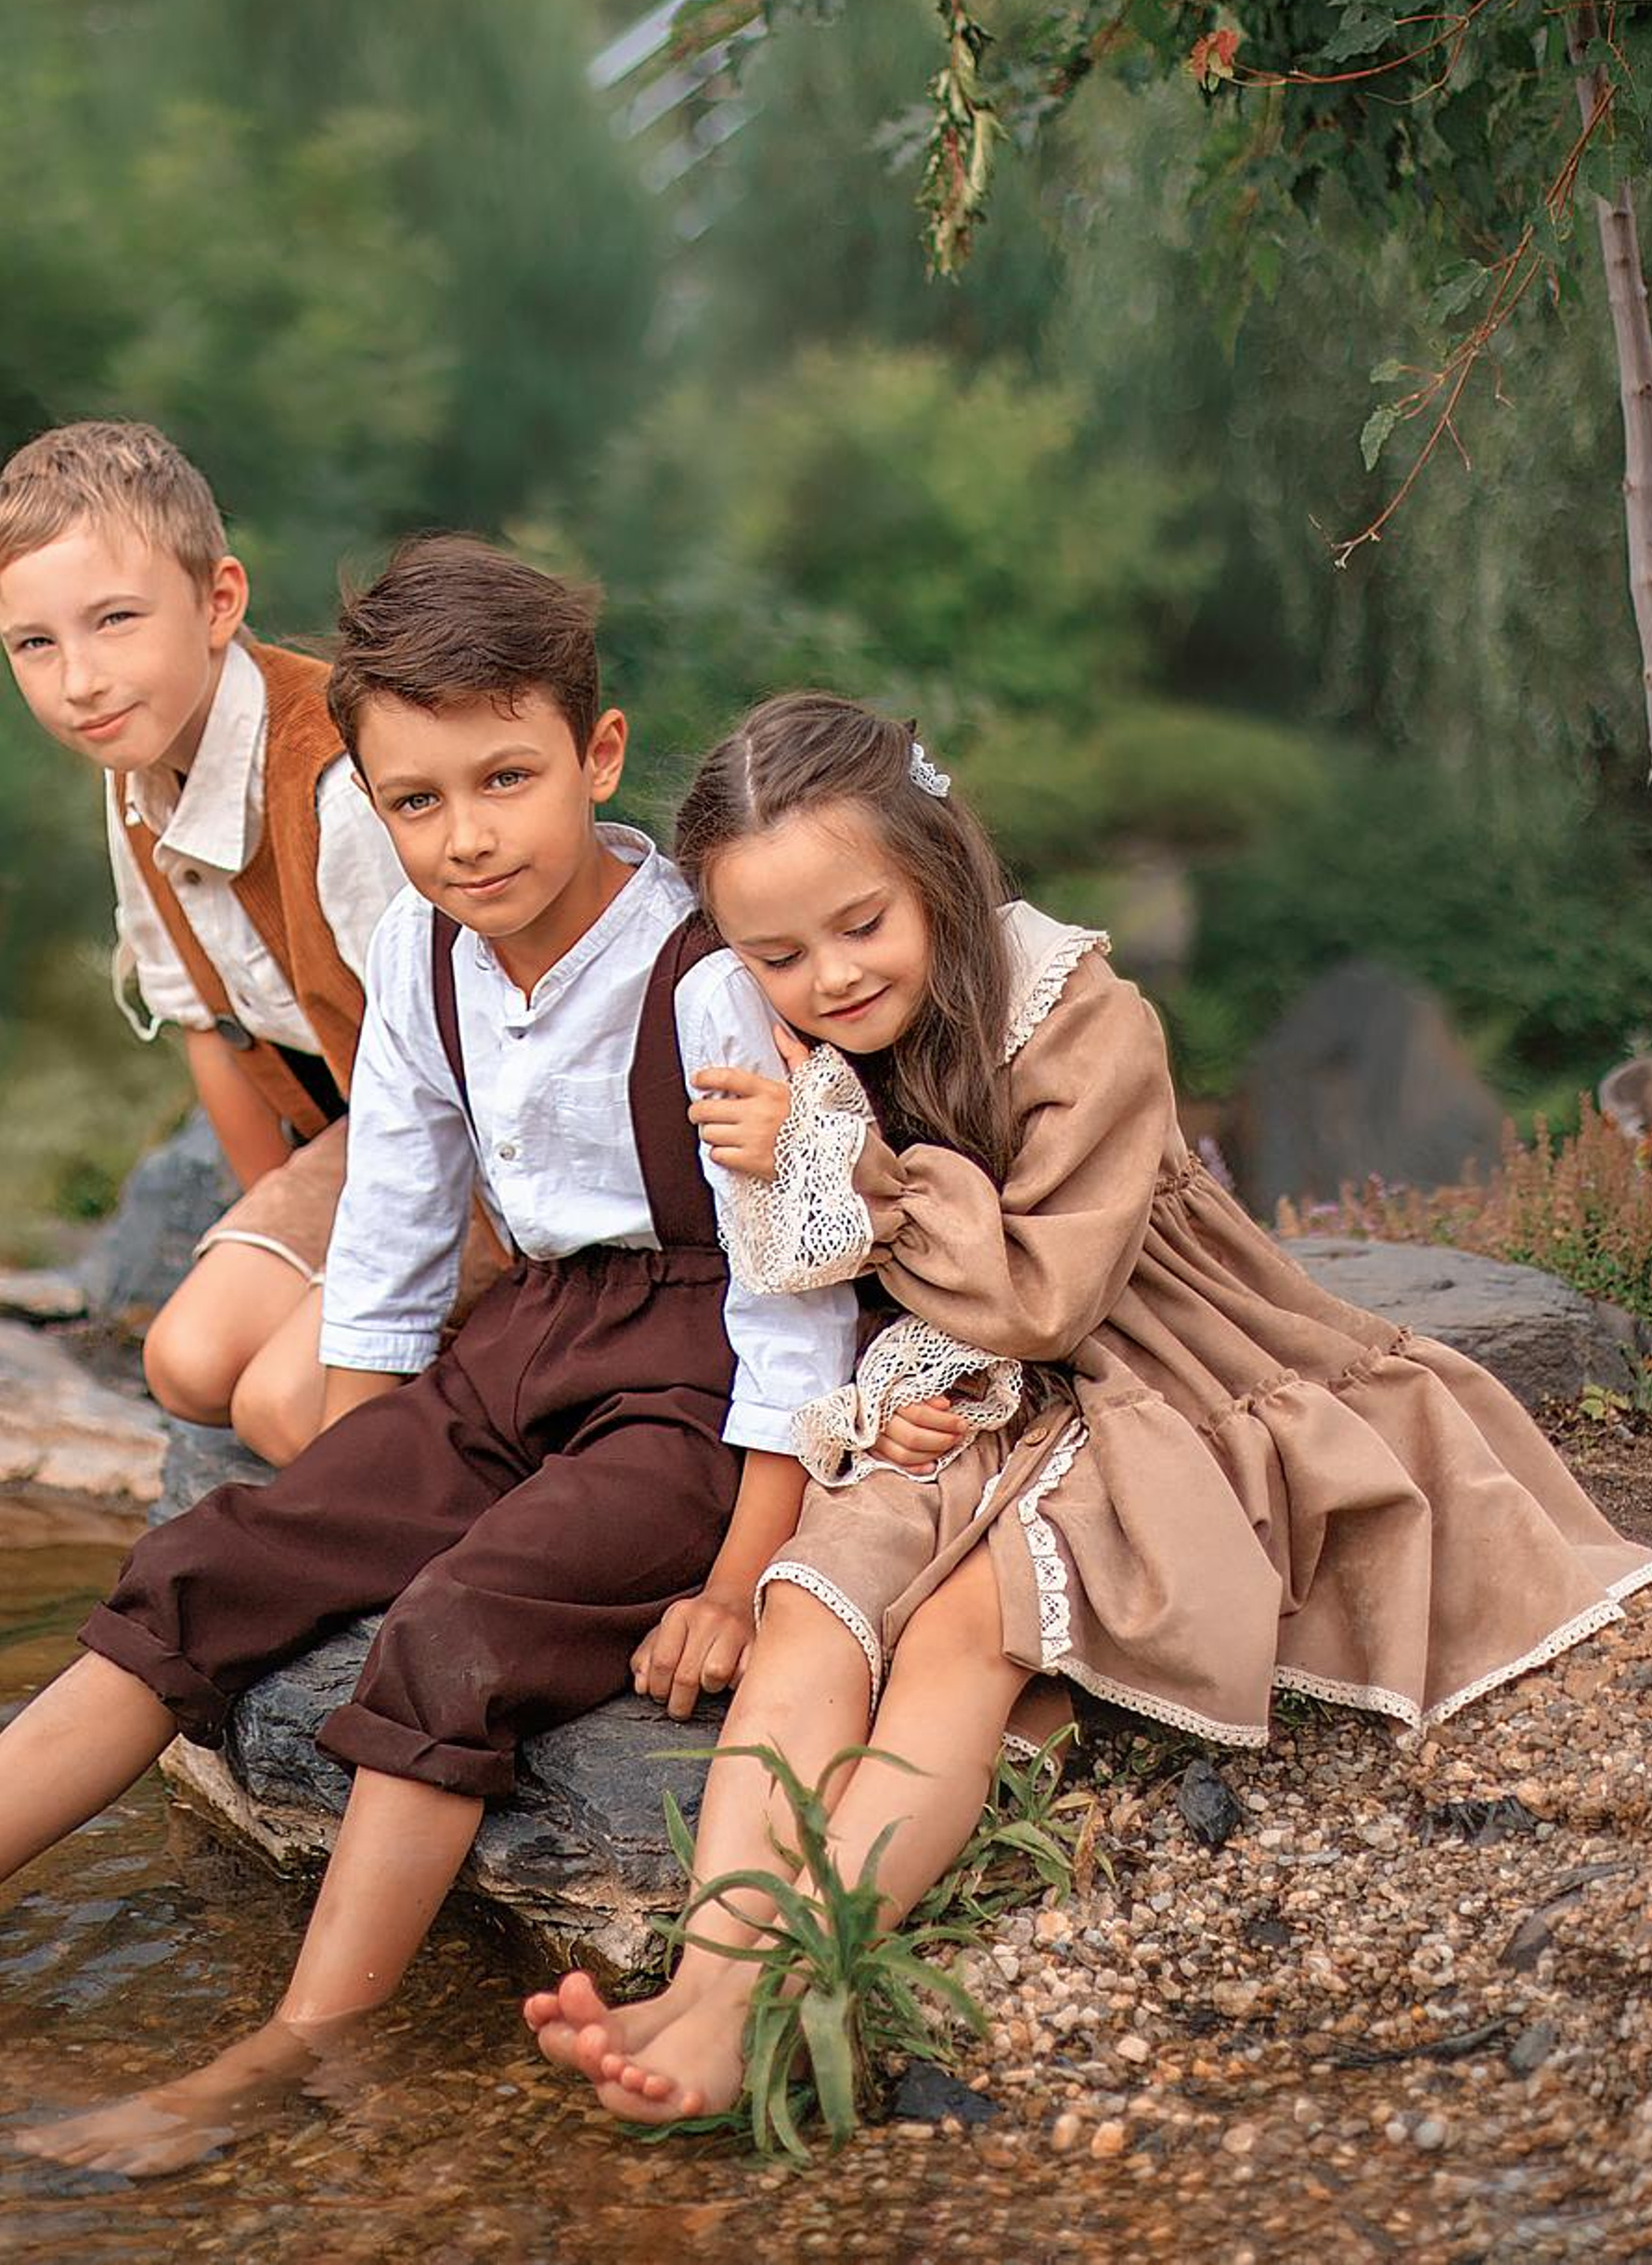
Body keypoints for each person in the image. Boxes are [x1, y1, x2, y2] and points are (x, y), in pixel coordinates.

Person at [0, 542, 859, 2177]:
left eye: (508, 779)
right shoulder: (429, 956)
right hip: (534, 1339)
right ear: (370, 798)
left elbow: (793, 1299)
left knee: (456, 1629)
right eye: (416, 803)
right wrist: (357, 1479)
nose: (467, 836)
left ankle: (295, 2046)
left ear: (599, 755)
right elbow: (401, 1221)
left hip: (694, 1374)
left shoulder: (701, 977)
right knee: (217, 1553)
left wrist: (744, 1572)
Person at [527, 690, 1652, 2128]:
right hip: (954, 1390)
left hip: (1143, 1361)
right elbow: (824, 1286)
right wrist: (884, 1393)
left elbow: (1049, 1298)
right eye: (779, 953)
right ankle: (700, 1972)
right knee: (812, 1609)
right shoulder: (777, 1037)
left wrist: (851, 1173)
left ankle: (774, 1999)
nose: (828, 977)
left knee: (956, 1638)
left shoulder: (1078, 1009)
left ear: (935, 866)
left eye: (861, 924)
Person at [0, 418, 407, 1464]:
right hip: (353, 1141)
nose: (77, 680)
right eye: (36, 644)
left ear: (219, 602)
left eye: (115, 621)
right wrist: (287, 1230)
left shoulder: (336, 785)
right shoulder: (135, 780)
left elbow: (460, 1062)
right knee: (189, 1362)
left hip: (464, 1132)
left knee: (282, 1406)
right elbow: (210, 1024)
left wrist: (364, 1282)